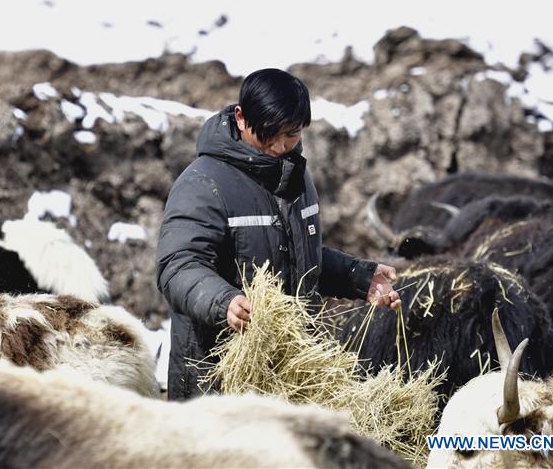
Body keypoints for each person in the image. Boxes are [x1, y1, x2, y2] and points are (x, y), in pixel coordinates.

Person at [156, 68, 401, 401]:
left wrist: (358, 276)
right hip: (217, 383)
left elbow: (298, 257)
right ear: (241, 118)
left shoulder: (295, 177)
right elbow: (177, 266)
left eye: (292, 134)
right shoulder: (202, 184)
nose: (280, 145)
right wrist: (223, 301)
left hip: (288, 377)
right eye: (269, 134)